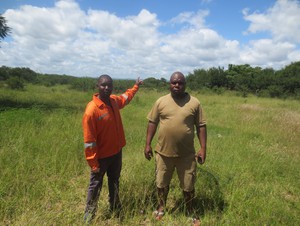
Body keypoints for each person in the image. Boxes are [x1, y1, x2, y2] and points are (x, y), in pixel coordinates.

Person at [144, 71, 207, 225]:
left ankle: (190, 211)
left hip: (187, 155)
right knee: (161, 184)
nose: (177, 85)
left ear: (185, 84)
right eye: (174, 82)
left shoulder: (194, 103)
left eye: (180, 82)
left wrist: (203, 148)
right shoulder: (161, 102)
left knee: (188, 185)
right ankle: (161, 207)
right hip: (163, 153)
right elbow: (153, 122)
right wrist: (147, 144)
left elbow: (201, 126)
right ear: (169, 84)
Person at [82, 74, 143, 223]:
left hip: (116, 153)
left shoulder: (114, 101)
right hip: (101, 157)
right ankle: (89, 216)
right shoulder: (92, 110)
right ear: (97, 86)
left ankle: (115, 206)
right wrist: (93, 163)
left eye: (109, 85)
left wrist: (135, 87)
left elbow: (126, 97)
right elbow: (89, 141)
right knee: (95, 185)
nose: (107, 88)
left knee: (114, 181)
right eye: (103, 85)